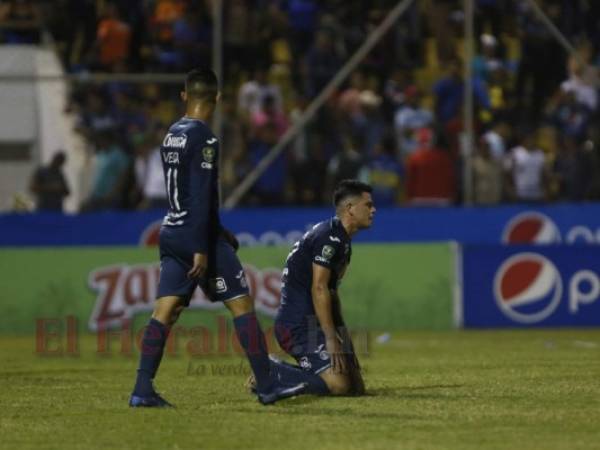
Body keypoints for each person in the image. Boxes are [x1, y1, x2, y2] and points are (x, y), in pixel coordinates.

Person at [129, 68, 306, 408]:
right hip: (199, 237)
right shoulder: (206, 139)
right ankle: (268, 385)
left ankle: (141, 389)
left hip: (171, 230)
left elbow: (183, 194)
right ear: (218, 98)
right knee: (241, 303)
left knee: (164, 312)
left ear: (184, 95)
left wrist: (218, 231)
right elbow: (201, 193)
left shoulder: (171, 135)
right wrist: (203, 246)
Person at [269, 180, 376, 396]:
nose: (374, 210)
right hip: (298, 327)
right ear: (350, 209)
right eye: (368, 205)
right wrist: (330, 339)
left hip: (312, 326)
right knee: (339, 386)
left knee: (355, 388)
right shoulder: (328, 237)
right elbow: (319, 288)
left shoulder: (342, 242)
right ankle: (270, 371)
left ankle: (287, 373)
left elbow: (331, 293)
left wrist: (344, 342)